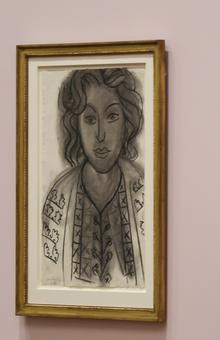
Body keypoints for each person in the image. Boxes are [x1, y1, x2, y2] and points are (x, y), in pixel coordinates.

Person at [41, 68, 145, 288]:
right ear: (75, 126)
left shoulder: (143, 188)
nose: (100, 135)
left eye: (112, 117)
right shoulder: (60, 196)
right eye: (89, 119)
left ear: (127, 123)